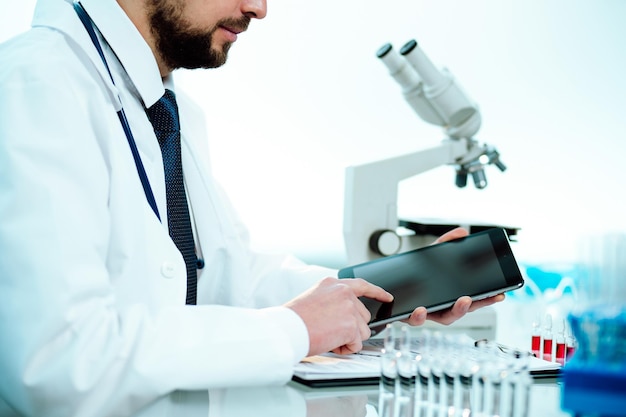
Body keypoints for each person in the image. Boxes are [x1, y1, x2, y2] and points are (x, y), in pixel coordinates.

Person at [0, 0, 504, 416]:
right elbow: (59, 362)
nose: (258, 9)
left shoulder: (169, 110)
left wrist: (382, 295)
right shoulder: (36, 82)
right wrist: (294, 328)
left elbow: (227, 276)